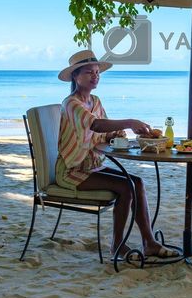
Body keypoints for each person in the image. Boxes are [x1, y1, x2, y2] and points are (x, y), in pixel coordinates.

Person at [56, 49, 178, 260]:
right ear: (76, 76)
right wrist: (130, 122)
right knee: (125, 186)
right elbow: (96, 124)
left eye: (97, 72)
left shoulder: (95, 101)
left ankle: (149, 242)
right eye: (89, 72)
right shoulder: (71, 103)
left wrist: (118, 133)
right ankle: (117, 245)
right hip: (72, 169)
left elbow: (104, 130)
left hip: (93, 165)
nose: (95, 76)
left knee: (137, 182)